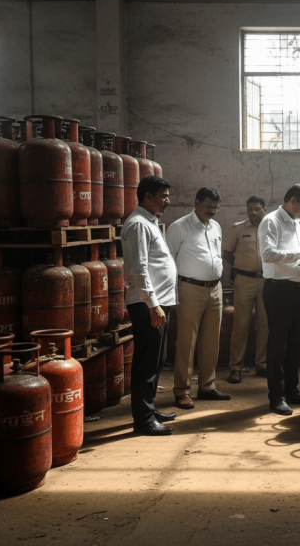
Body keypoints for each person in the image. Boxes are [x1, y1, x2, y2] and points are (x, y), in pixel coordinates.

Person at [121, 175, 177, 436]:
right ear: (148, 197)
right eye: (163, 196)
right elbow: (139, 269)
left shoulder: (150, 222)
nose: (168, 201)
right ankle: (143, 420)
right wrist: (153, 305)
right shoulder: (138, 224)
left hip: (157, 303)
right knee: (146, 362)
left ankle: (150, 409)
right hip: (147, 305)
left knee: (155, 361)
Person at [258, 184, 300, 416]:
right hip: (279, 290)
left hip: (298, 288)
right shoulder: (271, 221)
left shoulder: (295, 222)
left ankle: (292, 389)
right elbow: (267, 254)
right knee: (278, 344)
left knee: (295, 342)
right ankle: (277, 396)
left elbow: (295, 256)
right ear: (293, 201)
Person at [166, 187, 231, 409]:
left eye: (215, 207)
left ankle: (207, 386)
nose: (212, 211)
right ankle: (182, 390)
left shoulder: (216, 226)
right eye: (208, 206)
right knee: (187, 340)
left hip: (215, 288)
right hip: (190, 288)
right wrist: (173, 292)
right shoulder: (179, 227)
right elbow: (168, 262)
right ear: (196, 203)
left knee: (212, 339)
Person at [222, 195, 269, 383]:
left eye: (257, 208)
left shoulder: (271, 228)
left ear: (264, 209)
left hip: (266, 281)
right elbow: (227, 253)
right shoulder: (238, 228)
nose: (253, 212)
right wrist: (240, 267)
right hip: (244, 281)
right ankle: (235, 368)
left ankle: (262, 364)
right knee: (240, 325)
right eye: (250, 209)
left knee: (265, 325)